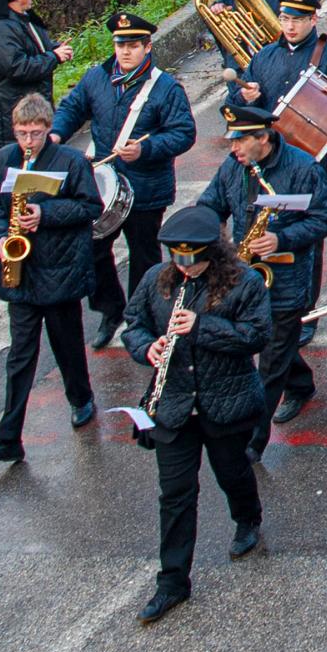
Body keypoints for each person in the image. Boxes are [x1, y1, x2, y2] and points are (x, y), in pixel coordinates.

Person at [122, 202, 271, 625]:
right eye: (178, 258)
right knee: (175, 494)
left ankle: (247, 518)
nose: (185, 267)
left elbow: (257, 336)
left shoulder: (243, 283)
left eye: (195, 259)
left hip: (223, 402)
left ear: (214, 252)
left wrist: (203, 327)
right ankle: (172, 582)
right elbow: (133, 324)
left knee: (231, 471)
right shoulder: (157, 281)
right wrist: (144, 347)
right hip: (173, 405)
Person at [190, 99, 327, 459]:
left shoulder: (304, 168)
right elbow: (210, 205)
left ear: (265, 138)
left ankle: (253, 442)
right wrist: (211, 234)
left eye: (240, 141)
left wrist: (281, 239)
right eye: (231, 141)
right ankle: (301, 383)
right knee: (275, 347)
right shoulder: (233, 168)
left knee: (269, 362)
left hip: (287, 280)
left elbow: (325, 219)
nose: (233, 148)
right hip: (246, 277)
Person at [0, 95, 102, 463]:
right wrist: (0, 238)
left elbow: (91, 208)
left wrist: (45, 213)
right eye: (23, 134)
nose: (28, 142)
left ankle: (81, 399)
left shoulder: (70, 162)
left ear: (47, 128)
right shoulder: (3, 161)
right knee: (20, 357)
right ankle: (9, 438)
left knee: (67, 347)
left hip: (60, 272)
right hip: (21, 274)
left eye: (36, 133)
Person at [52, 10, 197, 349]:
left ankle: (140, 319)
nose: (125, 52)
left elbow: (184, 133)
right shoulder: (97, 79)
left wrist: (145, 151)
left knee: (144, 257)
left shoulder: (165, 88)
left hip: (146, 187)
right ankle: (109, 308)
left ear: (147, 47)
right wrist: (57, 135)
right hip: (104, 185)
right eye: (120, 45)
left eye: (133, 45)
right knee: (92, 248)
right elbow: (72, 108)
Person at [236, 0, 327, 196]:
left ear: (313, 19)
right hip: (272, 161)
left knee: (312, 225)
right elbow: (233, 106)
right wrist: (245, 97)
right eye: (285, 19)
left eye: (297, 20)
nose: (290, 27)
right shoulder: (264, 56)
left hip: (318, 164)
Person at [0, 0, 70, 154]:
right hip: (9, 117)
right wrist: (54, 57)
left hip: (30, 110)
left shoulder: (25, 20)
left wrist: (55, 49)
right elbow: (17, 67)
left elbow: (34, 48)